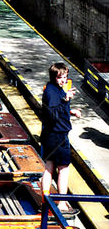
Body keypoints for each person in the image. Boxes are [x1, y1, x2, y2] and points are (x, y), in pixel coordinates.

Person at [40, 61, 80, 214]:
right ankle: (62, 203)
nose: (63, 80)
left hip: (51, 135)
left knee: (49, 166)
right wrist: (66, 99)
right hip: (57, 135)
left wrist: (71, 111)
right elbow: (53, 114)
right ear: (53, 77)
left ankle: (45, 200)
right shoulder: (52, 92)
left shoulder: (55, 89)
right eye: (60, 77)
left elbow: (57, 110)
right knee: (63, 168)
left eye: (65, 77)